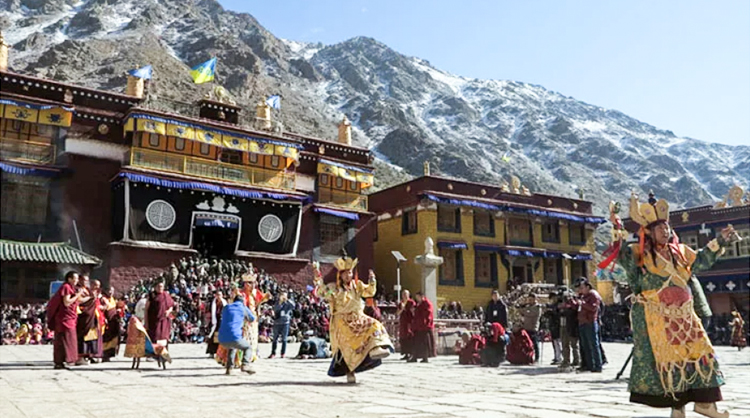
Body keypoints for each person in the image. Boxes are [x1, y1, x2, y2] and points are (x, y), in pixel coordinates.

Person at [601, 192, 734, 418]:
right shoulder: (639, 254)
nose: (666, 231)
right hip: (657, 316)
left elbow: (701, 260)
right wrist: (616, 226)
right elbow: (621, 254)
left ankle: (706, 404)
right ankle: (677, 408)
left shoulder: (680, 253)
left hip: (685, 315)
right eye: (660, 228)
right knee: (669, 361)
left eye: (667, 227)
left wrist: (720, 240)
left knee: (701, 354)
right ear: (648, 233)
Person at [313, 259, 393, 384]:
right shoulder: (334, 289)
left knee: (374, 324)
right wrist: (318, 277)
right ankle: (350, 372)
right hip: (342, 321)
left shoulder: (358, 286)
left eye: (350, 273)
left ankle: (375, 348)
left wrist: (372, 280)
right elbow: (321, 293)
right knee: (348, 348)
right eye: (345, 273)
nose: (348, 276)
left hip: (358, 317)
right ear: (340, 274)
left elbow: (370, 292)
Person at [47, 271, 84, 369]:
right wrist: (78, 294)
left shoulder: (72, 288)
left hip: (67, 317)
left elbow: (78, 300)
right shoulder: (66, 287)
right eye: (74, 278)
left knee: (64, 340)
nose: (76, 280)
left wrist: (91, 297)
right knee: (67, 339)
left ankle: (60, 362)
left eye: (77, 278)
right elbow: (67, 302)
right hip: (65, 319)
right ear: (69, 279)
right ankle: (67, 360)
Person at [218, 286, 256, 375]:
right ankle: (245, 364)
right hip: (234, 336)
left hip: (221, 339)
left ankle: (229, 368)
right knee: (248, 348)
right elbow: (252, 318)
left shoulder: (226, 307)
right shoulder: (243, 308)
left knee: (232, 347)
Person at [241, 270, 270, 361]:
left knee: (253, 337)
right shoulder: (242, 293)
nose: (252, 285)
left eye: (254, 283)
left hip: (254, 318)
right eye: (250, 283)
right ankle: (243, 356)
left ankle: (252, 354)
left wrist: (266, 297)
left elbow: (261, 299)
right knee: (245, 336)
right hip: (244, 318)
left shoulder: (255, 292)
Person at [576, 278, 602, 373]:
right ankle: (589, 365)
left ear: (587, 287)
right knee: (585, 345)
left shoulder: (593, 295)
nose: (581, 290)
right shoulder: (583, 296)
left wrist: (582, 303)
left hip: (590, 322)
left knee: (593, 344)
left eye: (582, 288)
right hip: (582, 322)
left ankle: (598, 365)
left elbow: (593, 308)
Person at [76, 277, 103, 365]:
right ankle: (81, 357)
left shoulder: (87, 290)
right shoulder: (78, 289)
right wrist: (90, 298)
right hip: (84, 316)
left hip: (92, 316)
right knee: (83, 337)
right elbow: (79, 301)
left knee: (92, 337)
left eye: (86, 280)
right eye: (83, 279)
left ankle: (90, 355)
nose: (85, 281)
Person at [145, 281, 175, 347]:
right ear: (155, 287)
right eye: (158, 286)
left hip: (164, 320)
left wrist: (168, 311)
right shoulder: (152, 296)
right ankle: (153, 352)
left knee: (164, 336)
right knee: (154, 336)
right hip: (153, 320)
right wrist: (146, 322)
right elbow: (146, 309)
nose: (160, 288)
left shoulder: (166, 295)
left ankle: (164, 352)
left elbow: (171, 306)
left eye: (161, 287)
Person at [559, 288, 580, 372]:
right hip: (563, 325)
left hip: (572, 326)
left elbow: (573, 312)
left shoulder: (575, 304)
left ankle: (576, 361)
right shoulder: (561, 305)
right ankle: (566, 360)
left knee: (574, 345)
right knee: (564, 344)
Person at [411, 292, 436, 363]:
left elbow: (427, 314)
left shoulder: (427, 304)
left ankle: (425, 357)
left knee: (425, 343)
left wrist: (424, 322)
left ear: (422, 296)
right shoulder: (420, 304)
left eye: (418, 297)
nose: (417, 299)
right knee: (417, 342)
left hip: (424, 326)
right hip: (418, 326)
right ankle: (415, 356)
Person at [269, 291, 295, 359]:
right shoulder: (277, 303)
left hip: (285, 322)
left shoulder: (288, 303)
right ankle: (273, 353)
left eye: (285, 295)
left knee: (284, 339)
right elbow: (275, 309)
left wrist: (287, 300)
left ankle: (283, 353)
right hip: (277, 322)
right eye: (282, 295)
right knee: (275, 338)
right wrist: (280, 302)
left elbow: (293, 306)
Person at [520, 294, 543, 363]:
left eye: (531, 299)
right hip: (526, 327)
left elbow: (531, 314)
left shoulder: (537, 307)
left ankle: (537, 358)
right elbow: (521, 312)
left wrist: (525, 311)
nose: (530, 301)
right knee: (526, 344)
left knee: (535, 343)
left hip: (533, 327)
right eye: (529, 299)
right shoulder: (527, 306)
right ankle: (527, 357)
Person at [101, 286, 122, 362]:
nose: (110, 292)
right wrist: (104, 319)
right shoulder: (103, 299)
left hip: (113, 322)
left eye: (112, 291)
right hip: (107, 322)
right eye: (109, 290)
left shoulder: (113, 299)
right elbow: (102, 310)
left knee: (113, 339)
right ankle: (104, 355)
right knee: (106, 338)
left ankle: (109, 355)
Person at [206, 290, 226, 357]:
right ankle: (212, 352)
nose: (219, 296)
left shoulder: (224, 303)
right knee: (214, 337)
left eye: (220, 295)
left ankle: (220, 353)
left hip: (222, 322)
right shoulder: (213, 303)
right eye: (217, 295)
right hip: (215, 322)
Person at [397, 289, 416, 361]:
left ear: (408, 295)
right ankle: (405, 353)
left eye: (405, 294)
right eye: (403, 294)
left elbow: (413, 312)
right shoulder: (401, 303)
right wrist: (402, 308)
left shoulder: (411, 302)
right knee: (403, 338)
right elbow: (398, 313)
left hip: (409, 322)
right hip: (403, 323)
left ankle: (411, 353)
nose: (404, 296)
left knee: (409, 337)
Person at [545, 292, 563, 365]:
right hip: (552, 325)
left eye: (554, 297)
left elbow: (558, 314)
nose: (553, 299)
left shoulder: (559, 304)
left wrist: (552, 312)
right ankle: (556, 356)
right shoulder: (552, 305)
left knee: (558, 342)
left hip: (558, 325)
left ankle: (559, 357)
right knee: (554, 342)